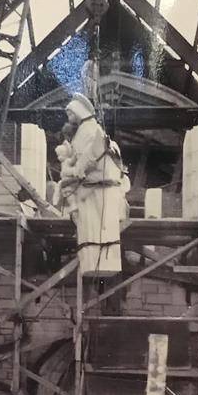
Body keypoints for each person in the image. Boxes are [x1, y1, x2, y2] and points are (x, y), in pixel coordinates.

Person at [59, 92, 128, 277]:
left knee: (99, 227)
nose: (70, 119)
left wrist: (74, 171)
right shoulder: (82, 133)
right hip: (90, 188)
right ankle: (93, 259)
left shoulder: (90, 131)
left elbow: (88, 159)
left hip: (99, 186)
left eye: (71, 115)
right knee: (90, 226)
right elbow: (77, 159)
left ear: (78, 112)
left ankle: (102, 259)